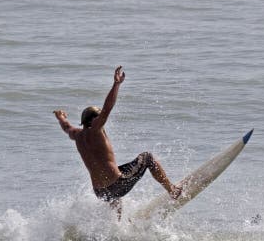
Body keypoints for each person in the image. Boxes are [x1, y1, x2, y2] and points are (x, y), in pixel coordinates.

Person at [53, 66, 182, 217]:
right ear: (94, 120)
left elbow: (67, 127)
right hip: (117, 185)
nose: (103, 119)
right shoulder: (96, 129)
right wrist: (116, 84)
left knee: (115, 198)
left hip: (100, 192)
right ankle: (172, 190)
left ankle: (118, 227)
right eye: (100, 117)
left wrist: (60, 116)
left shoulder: (77, 135)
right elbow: (107, 108)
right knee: (147, 157)